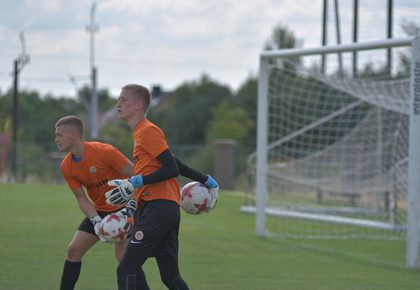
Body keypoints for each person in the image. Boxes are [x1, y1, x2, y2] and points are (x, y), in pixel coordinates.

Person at [105, 84, 219, 290]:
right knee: (170, 277)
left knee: (126, 269)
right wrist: (207, 180)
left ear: (138, 105)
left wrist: (135, 182)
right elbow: (177, 164)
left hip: (158, 208)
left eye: (123, 99)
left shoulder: (148, 130)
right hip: (160, 208)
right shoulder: (141, 132)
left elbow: (170, 169)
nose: (118, 103)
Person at [55, 115, 135, 290]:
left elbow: (135, 175)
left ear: (74, 135)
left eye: (60, 135)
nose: (56, 139)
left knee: (124, 258)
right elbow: (81, 197)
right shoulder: (66, 166)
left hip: (125, 210)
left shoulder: (104, 151)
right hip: (100, 212)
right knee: (74, 250)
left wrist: (130, 210)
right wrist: (96, 220)